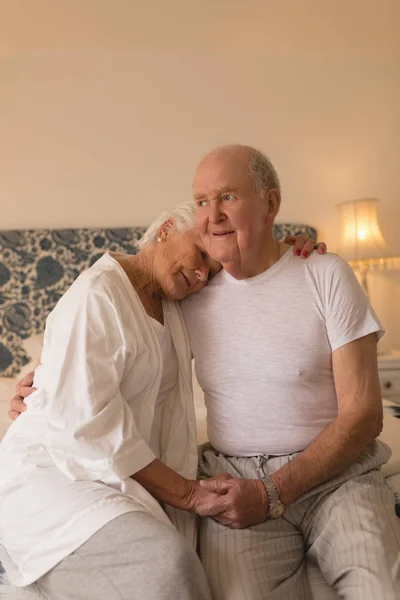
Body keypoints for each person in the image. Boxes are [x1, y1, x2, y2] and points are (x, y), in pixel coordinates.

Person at [1, 202, 319, 600]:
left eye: (213, 271)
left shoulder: (179, 305)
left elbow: (253, 300)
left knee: (183, 561)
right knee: (166, 567)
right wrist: (188, 493)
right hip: (56, 473)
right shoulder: (99, 293)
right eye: (201, 254)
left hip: (119, 475)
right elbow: (84, 423)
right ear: (166, 229)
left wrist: (291, 258)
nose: (203, 274)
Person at [179, 144, 400, 600]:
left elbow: (365, 415)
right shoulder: (187, 293)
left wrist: (274, 491)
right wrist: (40, 378)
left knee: (378, 587)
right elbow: (109, 328)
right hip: (234, 485)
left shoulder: (324, 273)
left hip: (340, 476)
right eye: (201, 201)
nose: (212, 215)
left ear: (271, 204)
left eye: (227, 197)